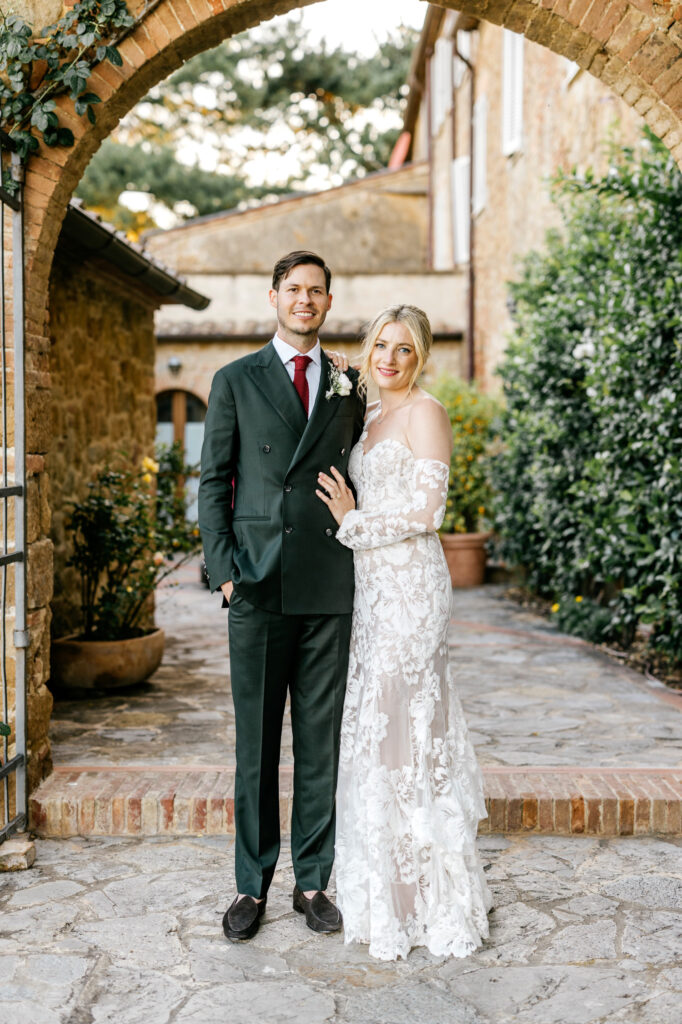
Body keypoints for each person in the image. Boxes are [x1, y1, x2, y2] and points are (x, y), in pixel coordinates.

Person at [316, 304, 492, 961]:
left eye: (405, 350)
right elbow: (346, 377)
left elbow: (428, 510)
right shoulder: (368, 415)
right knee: (376, 733)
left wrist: (354, 521)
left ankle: (428, 897)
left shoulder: (426, 413)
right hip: (371, 591)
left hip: (413, 592)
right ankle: (387, 887)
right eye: (381, 347)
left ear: (421, 359)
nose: (390, 359)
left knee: (407, 730)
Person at [198, 251, 365, 942]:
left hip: (329, 582)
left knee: (320, 741)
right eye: (293, 290)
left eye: (316, 291)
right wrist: (226, 572)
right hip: (259, 587)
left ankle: (313, 879)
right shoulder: (235, 380)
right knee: (257, 746)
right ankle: (250, 885)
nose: (305, 300)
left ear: (328, 303)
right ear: (274, 298)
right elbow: (213, 482)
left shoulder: (349, 385)